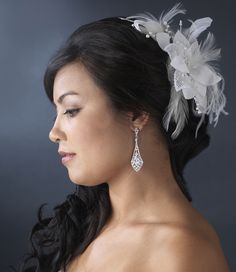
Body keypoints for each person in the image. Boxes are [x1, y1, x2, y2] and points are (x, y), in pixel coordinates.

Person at [15, 3, 230, 272]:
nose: (53, 133)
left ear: (137, 113)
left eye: (71, 110)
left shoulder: (181, 250)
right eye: (58, 112)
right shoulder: (89, 227)